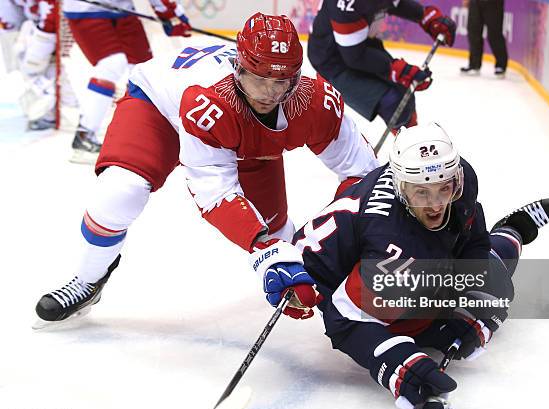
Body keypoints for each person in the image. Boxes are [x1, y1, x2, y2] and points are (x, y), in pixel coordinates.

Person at [34, 13, 379, 326]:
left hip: (236, 131)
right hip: (158, 109)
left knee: (275, 228)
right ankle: (88, 277)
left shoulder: (316, 102)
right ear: (239, 69)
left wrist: (335, 249)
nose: (271, 94)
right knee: (121, 190)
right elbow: (216, 195)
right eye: (260, 79)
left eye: (282, 82)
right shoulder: (207, 101)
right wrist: (266, 253)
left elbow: (365, 177)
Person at [265, 122, 549, 409]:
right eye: (422, 193)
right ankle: (510, 235)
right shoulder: (394, 247)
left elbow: (470, 233)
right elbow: (344, 318)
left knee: (495, 278)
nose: (436, 205)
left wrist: (475, 293)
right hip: (359, 284)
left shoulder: (463, 180)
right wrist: (395, 361)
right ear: (401, 189)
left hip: (410, 264)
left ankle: (514, 230)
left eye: (445, 188)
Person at [62, 0, 192, 164]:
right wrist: (172, 15)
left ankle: (141, 134)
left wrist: (173, 15)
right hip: (86, 8)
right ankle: (84, 135)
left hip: (122, 9)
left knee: (144, 72)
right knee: (111, 65)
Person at [307, 0, 456, 130]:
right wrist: (394, 69)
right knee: (392, 101)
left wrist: (423, 16)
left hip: (360, 43)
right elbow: (355, 56)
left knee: (403, 93)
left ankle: (412, 145)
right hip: (331, 60)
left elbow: (393, 3)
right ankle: (407, 149)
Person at [0, 0, 77, 130]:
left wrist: (36, 55)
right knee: (24, 52)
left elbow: (51, 15)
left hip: (69, 28)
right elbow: (10, 24)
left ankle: (70, 111)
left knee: (63, 69)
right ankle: (49, 106)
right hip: (39, 27)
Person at [460, 0, 508, 77]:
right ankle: (474, 64)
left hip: (493, 3)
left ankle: (501, 65)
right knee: (473, 31)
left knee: (494, 32)